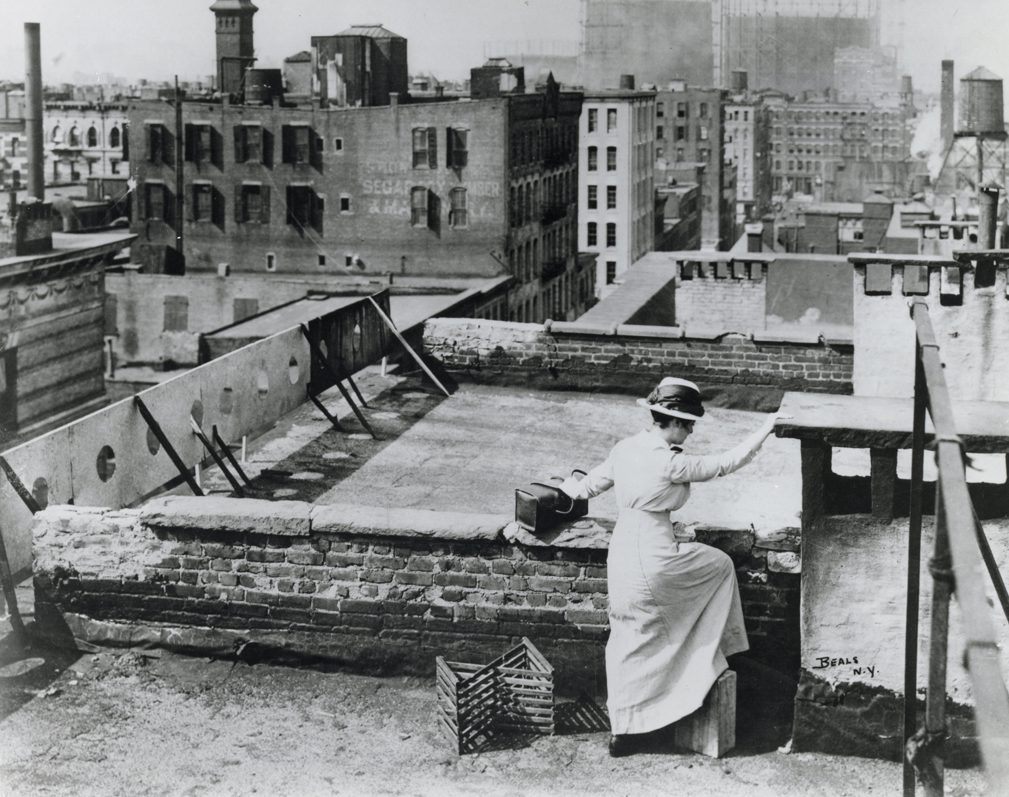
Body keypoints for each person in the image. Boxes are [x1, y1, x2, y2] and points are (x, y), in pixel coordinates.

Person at [559, 376, 782, 757]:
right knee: (721, 565)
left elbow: (587, 486)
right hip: (654, 554)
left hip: (624, 552)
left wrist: (559, 492)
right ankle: (719, 651)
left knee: (630, 634)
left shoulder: (626, 448)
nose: (691, 430)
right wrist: (766, 428)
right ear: (674, 421)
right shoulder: (670, 460)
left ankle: (624, 729)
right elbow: (726, 464)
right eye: (689, 423)